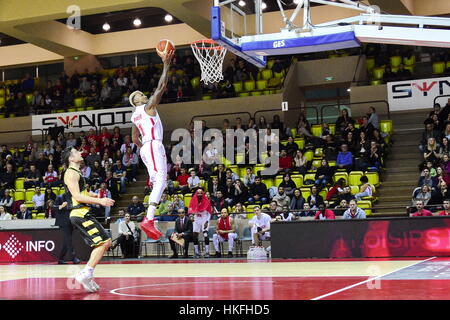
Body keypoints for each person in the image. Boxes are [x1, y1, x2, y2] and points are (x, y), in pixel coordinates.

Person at [130, 47, 174, 240]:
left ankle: (149, 220)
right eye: (138, 94)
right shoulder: (146, 107)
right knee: (162, 181)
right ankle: (148, 219)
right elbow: (162, 86)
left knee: (158, 182)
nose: (142, 94)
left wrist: (145, 149)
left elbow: (133, 139)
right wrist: (166, 63)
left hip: (146, 148)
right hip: (153, 145)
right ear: (135, 101)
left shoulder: (134, 116)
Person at [62, 147, 115, 293]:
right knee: (104, 241)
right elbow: (77, 197)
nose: (80, 152)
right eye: (76, 152)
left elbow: (82, 193)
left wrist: (94, 195)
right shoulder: (70, 173)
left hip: (82, 212)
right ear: (71, 159)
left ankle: (88, 273)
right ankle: (86, 273)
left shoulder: (77, 172)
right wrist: (101, 201)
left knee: (105, 242)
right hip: (79, 213)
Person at [54, 193, 80, 265]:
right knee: (68, 240)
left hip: (71, 222)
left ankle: (61, 258)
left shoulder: (74, 197)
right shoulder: (60, 197)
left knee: (66, 241)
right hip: (63, 222)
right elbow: (54, 207)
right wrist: (61, 206)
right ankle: (73, 258)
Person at [188, 189, 212, 258]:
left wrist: (207, 221)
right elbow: (190, 210)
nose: (199, 194)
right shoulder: (193, 200)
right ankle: (197, 253)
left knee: (205, 234)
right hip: (196, 219)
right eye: (198, 193)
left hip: (204, 219)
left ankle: (207, 252)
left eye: (201, 193)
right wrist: (191, 216)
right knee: (195, 236)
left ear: (202, 194)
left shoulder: (207, 201)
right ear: (196, 194)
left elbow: (209, 213)